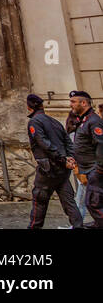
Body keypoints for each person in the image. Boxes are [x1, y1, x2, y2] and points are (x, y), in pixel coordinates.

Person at [25, 93, 82, 229]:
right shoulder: (54, 121)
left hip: (48, 168)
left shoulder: (34, 122)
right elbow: (67, 141)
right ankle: (78, 226)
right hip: (62, 169)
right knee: (69, 202)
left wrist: (63, 159)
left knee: (39, 200)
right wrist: (69, 158)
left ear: (29, 107)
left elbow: (44, 143)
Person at [66, 90, 103, 227]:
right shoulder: (84, 121)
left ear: (83, 103)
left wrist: (99, 169)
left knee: (93, 203)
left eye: (73, 102)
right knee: (94, 202)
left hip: (95, 169)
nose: (71, 105)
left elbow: (101, 144)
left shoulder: (93, 121)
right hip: (88, 169)